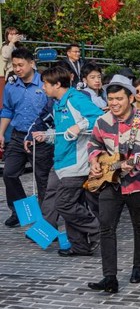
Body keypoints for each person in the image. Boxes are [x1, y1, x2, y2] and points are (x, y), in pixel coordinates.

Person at [86, 75, 140, 293]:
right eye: (110, 99)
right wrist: (94, 161)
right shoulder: (102, 121)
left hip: (138, 183)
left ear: (130, 98)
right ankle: (109, 277)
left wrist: (135, 165)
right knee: (106, 227)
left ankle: (138, 266)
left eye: (119, 98)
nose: (114, 103)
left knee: (139, 225)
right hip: (110, 182)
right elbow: (93, 143)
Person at [33, 66, 102, 256]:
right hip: (63, 162)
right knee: (73, 205)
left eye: (46, 84)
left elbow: (99, 117)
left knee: (64, 204)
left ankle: (98, 229)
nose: (43, 88)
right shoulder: (57, 104)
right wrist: (46, 136)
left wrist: (79, 126)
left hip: (77, 163)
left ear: (57, 84)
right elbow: (63, 132)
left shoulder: (76, 98)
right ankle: (80, 246)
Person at [1, 48, 55, 227]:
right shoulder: (11, 85)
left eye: (21, 65)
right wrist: (1, 133)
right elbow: (7, 110)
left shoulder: (45, 84)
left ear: (32, 63)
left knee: (42, 179)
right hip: (17, 136)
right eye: (14, 65)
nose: (17, 69)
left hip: (39, 139)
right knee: (9, 174)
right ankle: (20, 211)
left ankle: (46, 220)